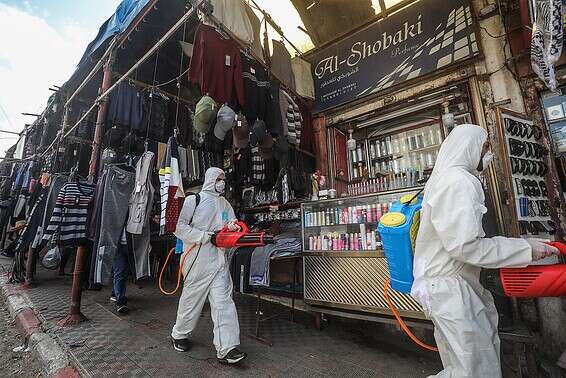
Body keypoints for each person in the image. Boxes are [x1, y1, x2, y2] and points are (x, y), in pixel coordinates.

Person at [411, 124, 559, 377]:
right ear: (471, 147)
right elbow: (466, 247)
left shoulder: (445, 179)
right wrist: (526, 249)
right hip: (451, 291)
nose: (488, 154)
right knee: (474, 370)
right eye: (485, 147)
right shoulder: (459, 181)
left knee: (463, 367)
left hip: (445, 288)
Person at [171, 167, 247, 364]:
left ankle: (227, 348)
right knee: (191, 300)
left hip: (219, 262)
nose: (222, 182)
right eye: (219, 179)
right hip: (197, 261)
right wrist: (205, 237)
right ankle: (179, 334)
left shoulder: (225, 203)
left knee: (224, 304)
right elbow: (179, 228)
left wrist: (233, 227)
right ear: (211, 179)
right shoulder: (193, 200)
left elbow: (232, 223)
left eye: (224, 179)